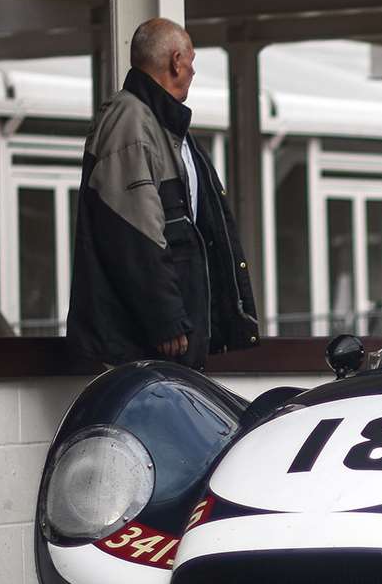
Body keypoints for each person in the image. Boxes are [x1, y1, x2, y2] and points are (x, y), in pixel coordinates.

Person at [71, 18, 258, 368]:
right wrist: (166, 318)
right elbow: (134, 230)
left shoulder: (161, 125)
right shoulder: (131, 120)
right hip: (145, 347)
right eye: (192, 61)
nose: (193, 71)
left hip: (167, 341)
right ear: (176, 61)